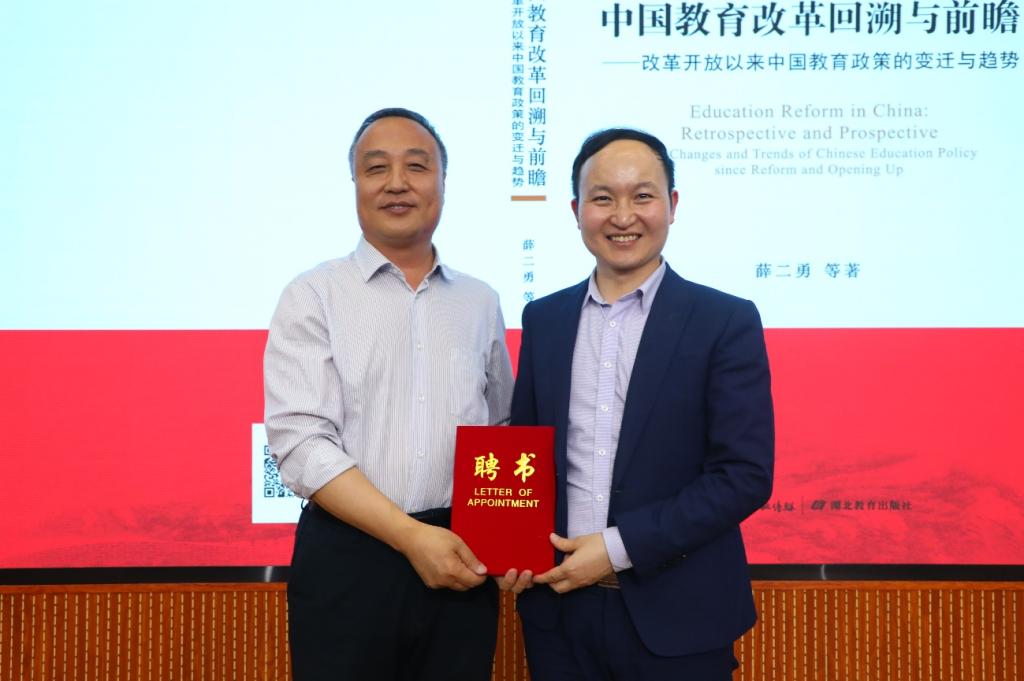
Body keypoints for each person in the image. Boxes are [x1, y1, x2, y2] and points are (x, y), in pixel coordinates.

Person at [500, 128, 775, 680]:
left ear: (671, 205)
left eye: (642, 196)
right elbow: (524, 453)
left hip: (680, 613)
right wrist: (508, 546)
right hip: (559, 612)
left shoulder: (724, 321)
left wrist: (617, 548)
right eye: (602, 198)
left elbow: (743, 476)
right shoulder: (545, 320)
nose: (622, 216)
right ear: (576, 211)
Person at [264, 107, 514, 681]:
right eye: (376, 168)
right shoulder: (312, 294)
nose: (397, 183)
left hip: (459, 557)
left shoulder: (480, 301)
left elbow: (499, 431)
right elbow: (301, 443)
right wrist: (410, 537)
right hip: (348, 559)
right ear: (355, 183)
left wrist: (508, 541)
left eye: (416, 167)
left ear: (443, 182)